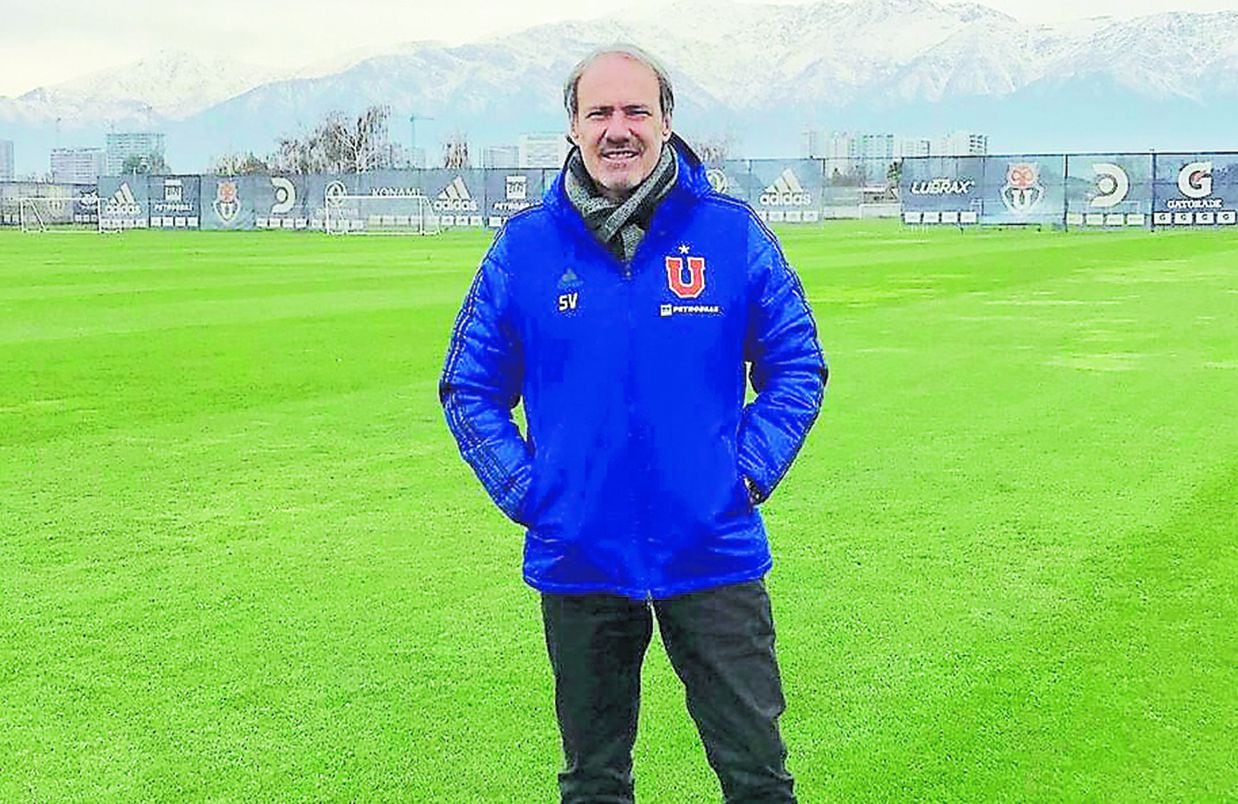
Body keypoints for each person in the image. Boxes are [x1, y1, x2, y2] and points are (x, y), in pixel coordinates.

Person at [440, 44, 827, 804]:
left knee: (756, 776)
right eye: (600, 113)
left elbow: (797, 366)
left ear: (666, 121)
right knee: (594, 782)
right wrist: (532, 489)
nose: (619, 129)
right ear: (574, 129)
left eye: (636, 111)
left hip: (710, 545)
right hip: (581, 551)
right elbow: (468, 385)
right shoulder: (524, 248)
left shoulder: (730, 234)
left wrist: (744, 471)